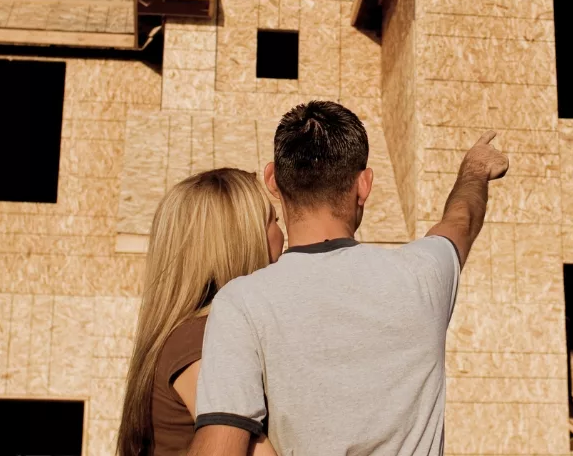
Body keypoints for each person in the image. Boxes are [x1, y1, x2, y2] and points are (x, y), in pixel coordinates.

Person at [188, 101, 509, 456]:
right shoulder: (424, 275)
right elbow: (461, 220)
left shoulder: (241, 302)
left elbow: (219, 448)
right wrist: (475, 169)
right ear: (364, 185)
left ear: (272, 181)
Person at [117, 169, 284, 456]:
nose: (283, 235)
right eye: (273, 221)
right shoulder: (202, 341)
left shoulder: (191, 335)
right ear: (243, 240)